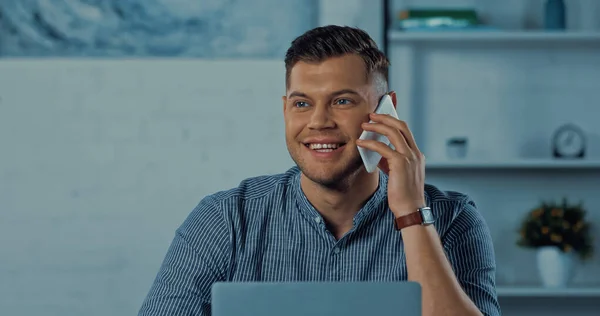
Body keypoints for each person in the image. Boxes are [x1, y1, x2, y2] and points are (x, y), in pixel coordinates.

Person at [138, 25, 501, 316]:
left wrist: (411, 213)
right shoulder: (226, 219)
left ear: (387, 110)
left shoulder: (452, 219)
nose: (318, 121)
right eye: (302, 103)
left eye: (342, 101)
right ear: (285, 110)